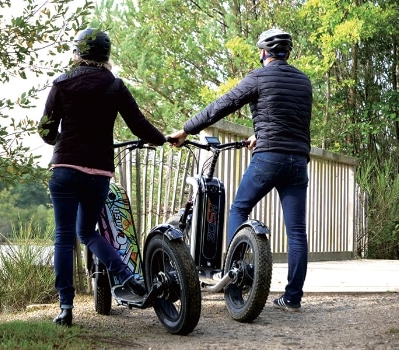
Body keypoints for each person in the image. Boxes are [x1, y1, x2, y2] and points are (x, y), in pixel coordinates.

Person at [168, 28, 312, 312]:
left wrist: (186, 130)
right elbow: (291, 119)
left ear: (263, 53)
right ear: (288, 52)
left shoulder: (259, 77)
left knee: (239, 209)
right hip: (298, 161)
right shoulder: (304, 81)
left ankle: (236, 279)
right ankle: (292, 298)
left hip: (269, 158)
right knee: (296, 232)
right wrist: (260, 134)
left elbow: (221, 106)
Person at [38, 28, 166, 326]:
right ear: (106, 56)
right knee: (89, 233)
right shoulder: (115, 85)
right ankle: (129, 278)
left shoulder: (61, 83)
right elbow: (139, 126)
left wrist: (60, 141)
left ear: (77, 54)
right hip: (99, 173)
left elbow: (45, 129)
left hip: (65, 170)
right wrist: (162, 139)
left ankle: (66, 307)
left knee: (64, 236)